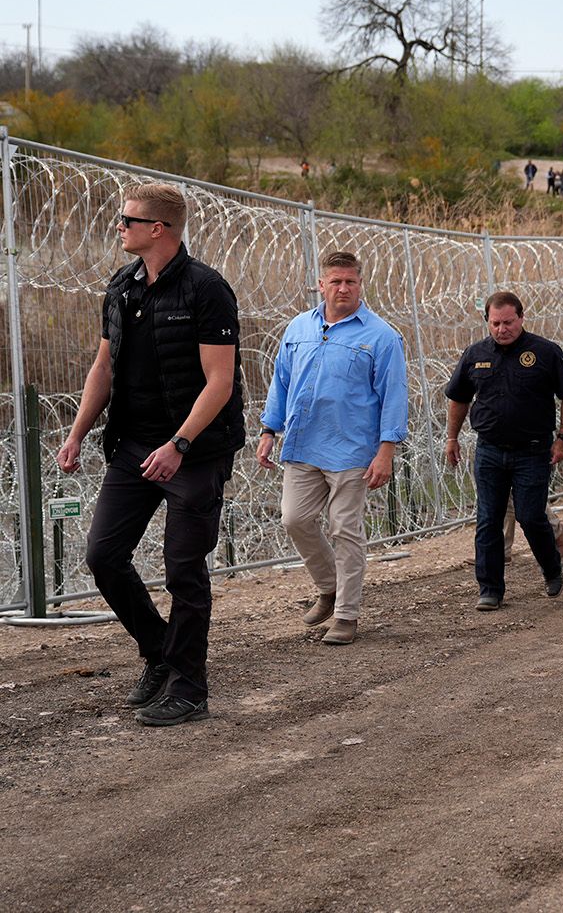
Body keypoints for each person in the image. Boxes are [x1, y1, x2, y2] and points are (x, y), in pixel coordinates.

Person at [56, 183, 244, 726]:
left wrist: (180, 444)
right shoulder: (122, 285)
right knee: (103, 556)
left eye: (127, 220)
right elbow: (103, 369)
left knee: (184, 571)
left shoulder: (206, 290)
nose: (119, 227)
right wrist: (75, 433)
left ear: (157, 228)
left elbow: (220, 381)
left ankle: (189, 689)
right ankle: (160, 652)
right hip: (133, 447)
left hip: (195, 451)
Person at [256, 251, 408, 646]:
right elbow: (282, 381)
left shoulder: (381, 336)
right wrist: (269, 429)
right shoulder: (298, 328)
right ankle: (329, 586)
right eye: (335, 281)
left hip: (353, 449)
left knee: (345, 529)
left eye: (351, 282)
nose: (343, 288)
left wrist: (386, 450)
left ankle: (346, 615)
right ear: (320, 284)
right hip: (303, 443)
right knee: (294, 519)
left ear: (361, 285)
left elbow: (393, 396)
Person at [444, 291, 563, 609]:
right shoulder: (475, 354)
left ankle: (551, 568)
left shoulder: (545, 352)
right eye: (495, 323)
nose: (502, 329)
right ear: (487, 321)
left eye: (508, 322)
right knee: (488, 519)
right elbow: (459, 398)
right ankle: (490, 588)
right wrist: (452, 438)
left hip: (532, 451)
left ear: (521, 318)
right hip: (489, 450)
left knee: (531, 517)